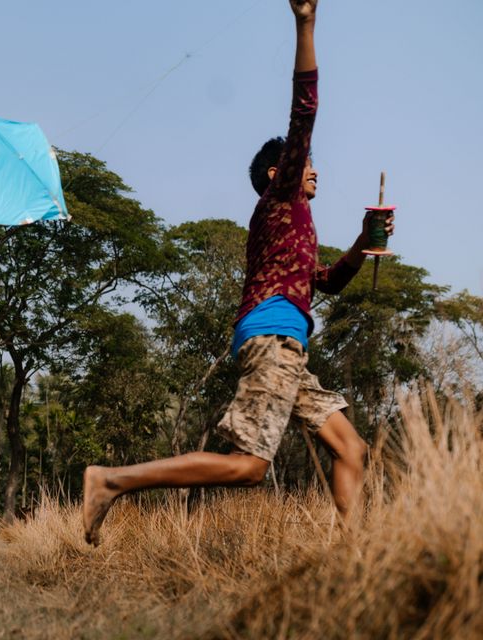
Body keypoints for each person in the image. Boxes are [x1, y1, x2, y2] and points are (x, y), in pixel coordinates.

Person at [83, 0, 395, 546]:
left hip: (290, 349)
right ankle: (111, 481)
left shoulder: (290, 227)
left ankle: (354, 558)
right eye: (305, 162)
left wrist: (364, 245)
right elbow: (304, 112)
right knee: (249, 467)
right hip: (272, 340)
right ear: (281, 172)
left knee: (352, 449)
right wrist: (306, 24)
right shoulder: (280, 200)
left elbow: (324, 282)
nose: (315, 168)